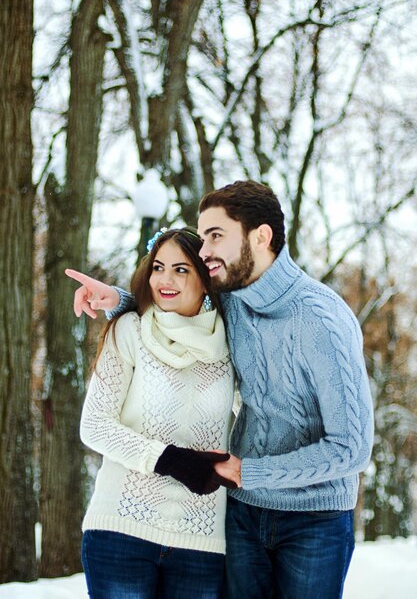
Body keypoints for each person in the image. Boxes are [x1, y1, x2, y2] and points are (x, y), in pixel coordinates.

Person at [69, 181, 374, 599]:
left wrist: (252, 472)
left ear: (260, 236)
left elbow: (352, 447)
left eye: (216, 236)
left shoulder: (322, 320)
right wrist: (118, 299)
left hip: (313, 519)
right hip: (243, 513)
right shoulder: (231, 303)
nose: (205, 249)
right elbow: (180, 303)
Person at [67, 227, 237, 599]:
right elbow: (94, 426)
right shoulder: (128, 330)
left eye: (181, 270)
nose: (165, 279)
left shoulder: (232, 346)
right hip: (121, 532)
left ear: (206, 279)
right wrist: (170, 460)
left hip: (202, 543)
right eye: (158, 267)